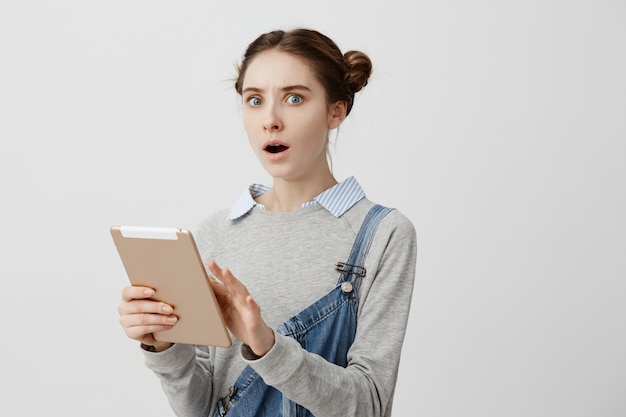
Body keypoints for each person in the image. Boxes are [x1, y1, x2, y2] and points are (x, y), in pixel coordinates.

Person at [117, 27, 417, 417]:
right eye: (254, 100)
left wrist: (266, 345)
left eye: (294, 98)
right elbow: (201, 408)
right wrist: (163, 345)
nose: (270, 120)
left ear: (336, 110)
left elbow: (368, 406)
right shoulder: (215, 232)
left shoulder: (383, 234)